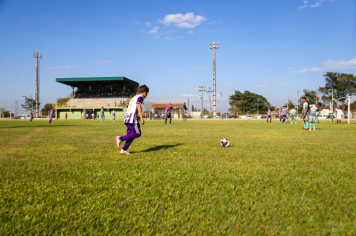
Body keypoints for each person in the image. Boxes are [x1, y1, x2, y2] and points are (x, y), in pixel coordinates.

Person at [115, 85, 149, 155]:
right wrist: (141, 117)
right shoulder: (140, 97)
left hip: (127, 117)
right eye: (147, 93)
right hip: (132, 117)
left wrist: (135, 116)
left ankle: (124, 149)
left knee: (131, 134)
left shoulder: (133, 98)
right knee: (137, 133)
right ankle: (120, 138)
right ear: (145, 92)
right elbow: (138, 105)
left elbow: (127, 107)